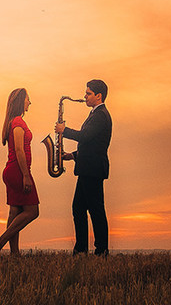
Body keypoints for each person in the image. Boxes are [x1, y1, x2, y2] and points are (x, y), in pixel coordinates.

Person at [54, 78, 111, 255]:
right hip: (88, 168)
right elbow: (92, 145)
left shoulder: (100, 115)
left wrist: (64, 130)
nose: (84, 96)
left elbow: (85, 137)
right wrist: (72, 156)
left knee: (95, 210)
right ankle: (82, 249)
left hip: (92, 170)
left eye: (88, 93)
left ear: (98, 96)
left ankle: (100, 251)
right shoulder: (96, 114)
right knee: (79, 208)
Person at [0, 87, 39, 256]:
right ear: (21, 101)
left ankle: (14, 254)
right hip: (18, 171)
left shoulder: (13, 121)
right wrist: (26, 175)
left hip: (12, 170)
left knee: (15, 212)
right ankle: (1, 241)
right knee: (33, 211)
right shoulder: (18, 122)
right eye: (27, 99)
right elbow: (19, 150)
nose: (30, 102)